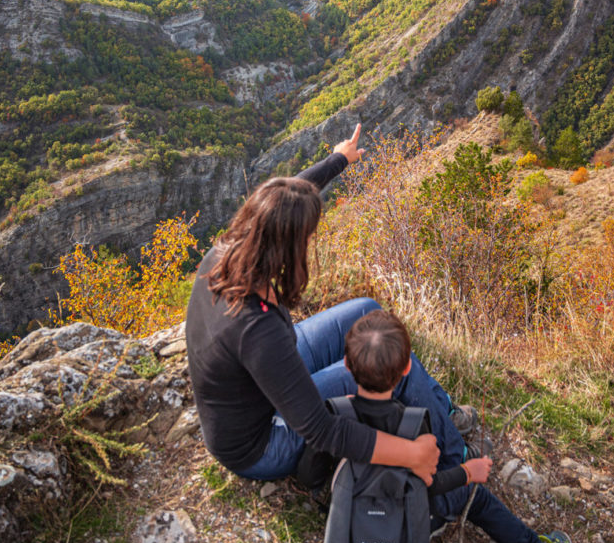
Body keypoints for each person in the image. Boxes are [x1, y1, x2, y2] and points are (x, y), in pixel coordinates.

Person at [186, 124, 475, 489]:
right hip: (261, 440)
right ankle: (455, 462)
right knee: (388, 361)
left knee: (369, 313)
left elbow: (289, 198)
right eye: (307, 236)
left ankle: (440, 408)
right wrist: (409, 455)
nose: (310, 241)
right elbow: (322, 431)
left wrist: (340, 159)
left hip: (262, 382)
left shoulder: (229, 250)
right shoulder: (256, 328)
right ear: (288, 245)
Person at [306, 309, 573, 543]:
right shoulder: (413, 425)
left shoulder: (336, 417)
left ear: (346, 364)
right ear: (408, 368)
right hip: (405, 515)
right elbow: (429, 485)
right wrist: (468, 473)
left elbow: (309, 473)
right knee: (476, 498)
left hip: (355, 517)